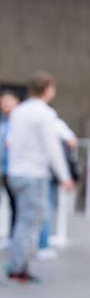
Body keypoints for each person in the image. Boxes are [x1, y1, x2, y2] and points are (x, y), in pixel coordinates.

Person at [5, 72, 73, 283]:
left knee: (22, 219)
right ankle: (18, 267)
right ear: (48, 89)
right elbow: (52, 148)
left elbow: (10, 141)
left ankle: (19, 264)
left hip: (16, 172)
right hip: (34, 174)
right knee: (31, 221)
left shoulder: (19, 112)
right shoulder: (45, 114)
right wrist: (65, 176)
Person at [36, 117, 77, 261]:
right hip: (45, 172)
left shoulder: (19, 118)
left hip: (32, 172)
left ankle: (37, 244)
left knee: (33, 209)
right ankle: (42, 246)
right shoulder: (53, 122)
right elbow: (72, 141)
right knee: (45, 207)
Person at [0, 89, 20, 241]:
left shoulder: (21, 122)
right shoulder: (3, 122)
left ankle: (14, 238)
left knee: (15, 205)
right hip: (2, 168)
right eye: (2, 102)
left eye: (7, 101)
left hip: (14, 170)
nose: (4, 104)